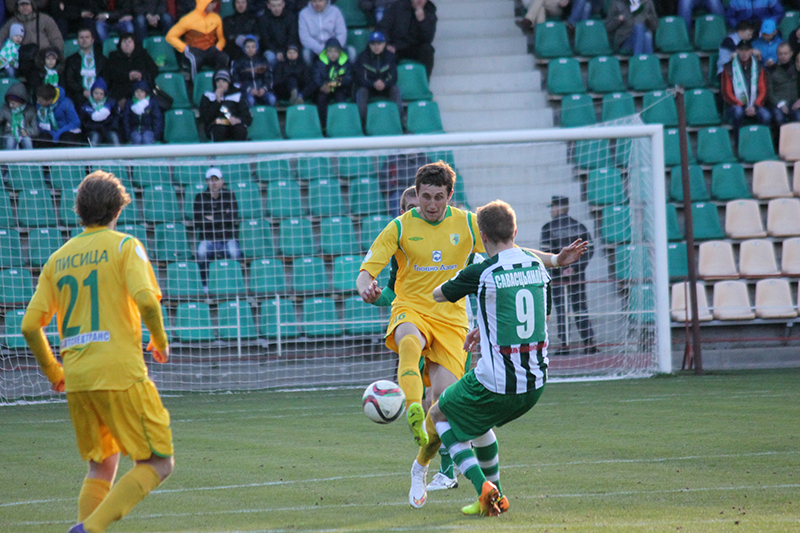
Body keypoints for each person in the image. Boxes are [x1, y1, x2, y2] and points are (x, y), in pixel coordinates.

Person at [356, 162, 586, 508]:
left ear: (449, 195)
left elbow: (509, 250)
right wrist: (366, 289)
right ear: (416, 194)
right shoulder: (399, 227)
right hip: (411, 308)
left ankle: (421, 467)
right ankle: (412, 408)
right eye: (425, 197)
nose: (431, 204)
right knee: (409, 341)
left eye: (438, 197)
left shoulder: (466, 223)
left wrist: (554, 259)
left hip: (451, 321)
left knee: (445, 406)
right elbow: (366, 272)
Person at [20, 170, 174, 533]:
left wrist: (54, 371)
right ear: (117, 209)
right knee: (158, 462)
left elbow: (29, 326)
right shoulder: (124, 246)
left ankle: (84, 526)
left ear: (79, 210)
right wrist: (161, 340)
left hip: (77, 379)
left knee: (102, 464)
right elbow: (147, 302)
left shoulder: (58, 258)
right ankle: (88, 530)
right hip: (120, 374)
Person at [416, 199, 551, 517]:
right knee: (479, 425)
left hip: (496, 383)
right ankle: (496, 499)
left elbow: (438, 294)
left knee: (438, 413)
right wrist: (484, 328)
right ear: (515, 231)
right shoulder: (537, 265)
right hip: (535, 383)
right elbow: (537, 314)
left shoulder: (482, 271)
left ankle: (483, 488)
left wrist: (453, 267)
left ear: (483, 236)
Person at [539, 195, 595, 355]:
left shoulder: (548, 228)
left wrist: (561, 268)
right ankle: (589, 343)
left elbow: (545, 253)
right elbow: (589, 249)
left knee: (561, 310)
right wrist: (575, 268)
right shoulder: (579, 226)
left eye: (552, 207)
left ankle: (565, 345)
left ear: (557, 208)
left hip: (557, 276)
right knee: (580, 307)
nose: (551, 211)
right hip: (577, 276)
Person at [193, 167, 242, 289]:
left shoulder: (229, 195)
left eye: (216, 179)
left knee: (235, 253)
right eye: (211, 180)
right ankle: (205, 286)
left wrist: (211, 217)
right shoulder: (200, 197)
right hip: (208, 238)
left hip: (227, 238)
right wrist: (223, 215)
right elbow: (198, 221)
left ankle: (235, 285)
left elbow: (233, 217)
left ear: (222, 181)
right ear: (206, 182)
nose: (214, 183)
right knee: (201, 252)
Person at [0, 0, 64, 83]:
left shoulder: (45, 19)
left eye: (27, 4)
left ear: (32, 6)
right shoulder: (12, 22)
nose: (24, 7)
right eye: (21, 5)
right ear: (17, 7)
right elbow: (1, 36)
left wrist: (53, 55)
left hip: (43, 58)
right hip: (23, 60)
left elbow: (56, 39)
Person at [166, 0, 229, 82]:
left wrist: (218, 47)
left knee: (223, 57)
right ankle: (194, 85)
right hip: (194, 50)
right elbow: (170, 36)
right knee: (195, 61)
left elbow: (221, 38)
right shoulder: (188, 19)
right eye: (212, 3)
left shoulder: (216, 18)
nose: (215, 5)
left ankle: (220, 84)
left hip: (210, 49)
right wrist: (184, 48)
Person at [721, 39, 771, 135]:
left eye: (747, 50)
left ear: (751, 51)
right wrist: (742, 106)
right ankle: (739, 141)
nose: (744, 53)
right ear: (737, 51)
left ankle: (761, 140)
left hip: (755, 104)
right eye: (741, 50)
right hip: (735, 105)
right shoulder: (728, 67)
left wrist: (755, 106)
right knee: (738, 112)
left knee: (766, 115)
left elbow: (763, 90)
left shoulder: (759, 67)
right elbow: (727, 92)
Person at [354, 30, 403, 128]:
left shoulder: (391, 57)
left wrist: (384, 83)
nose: (376, 47)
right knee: (361, 92)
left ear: (384, 44)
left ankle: (400, 124)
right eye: (373, 44)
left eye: (379, 44)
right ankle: (362, 126)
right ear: (369, 45)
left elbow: (393, 77)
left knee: (395, 90)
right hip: (369, 88)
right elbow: (360, 79)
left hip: (386, 88)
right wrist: (373, 84)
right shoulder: (362, 57)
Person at [378, 0, 436, 79]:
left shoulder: (429, 11)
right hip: (396, 47)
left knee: (428, 50)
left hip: (414, 48)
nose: (419, 1)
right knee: (383, 51)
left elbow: (428, 39)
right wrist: (387, 44)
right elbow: (383, 27)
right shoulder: (398, 7)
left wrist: (422, 22)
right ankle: (388, 83)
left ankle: (423, 82)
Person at [103, 32, 158, 109]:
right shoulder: (113, 57)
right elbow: (110, 73)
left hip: (142, 91)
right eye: (124, 42)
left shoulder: (143, 55)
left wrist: (141, 75)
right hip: (120, 92)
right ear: (120, 44)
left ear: (134, 43)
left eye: (129, 42)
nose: (127, 45)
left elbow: (154, 70)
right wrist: (127, 76)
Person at [199, 69, 252, 141]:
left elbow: (246, 115)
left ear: (228, 83)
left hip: (233, 125)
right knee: (219, 130)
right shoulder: (208, 96)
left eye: (224, 81)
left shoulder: (237, 96)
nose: (220, 84)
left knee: (240, 130)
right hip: (216, 126)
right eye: (218, 81)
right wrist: (217, 101)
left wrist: (238, 120)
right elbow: (205, 117)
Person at [311, 37, 352, 131]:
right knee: (321, 99)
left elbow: (347, 78)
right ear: (326, 52)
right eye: (330, 51)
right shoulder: (320, 63)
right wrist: (322, 85)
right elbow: (316, 76)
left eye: (335, 52)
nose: (333, 54)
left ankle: (340, 124)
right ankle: (323, 125)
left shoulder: (345, 63)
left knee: (340, 99)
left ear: (340, 53)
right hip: (324, 89)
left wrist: (332, 84)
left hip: (340, 88)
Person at [64, 27, 107, 107]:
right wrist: (82, 91)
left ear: (92, 40)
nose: (84, 40)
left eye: (87, 37)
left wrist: (98, 91)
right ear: (77, 40)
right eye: (81, 37)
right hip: (78, 95)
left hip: (100, 94)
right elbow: (69, 80)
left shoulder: (101, 59)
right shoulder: (71, 60)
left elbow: (106, 77)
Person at [298, 0, 348, 66]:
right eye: (314, 1)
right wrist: (322, 50)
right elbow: (305, 37)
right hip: (315, 49)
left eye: (320, 1)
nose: (317, 4)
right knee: (306, 53)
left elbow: (341, 33)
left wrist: (333, 48)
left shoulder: (335, 11)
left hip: (334, 47)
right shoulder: (303, 14)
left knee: (351, 52)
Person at [33, 83, 83, 147]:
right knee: (43, 139)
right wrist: (51, 132)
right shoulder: (40, 105)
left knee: (66, 138)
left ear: (50, 101)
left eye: (40, 101)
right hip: (49, 133)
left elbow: (76, 122)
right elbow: (40, 121)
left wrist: (59, 133)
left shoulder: (66, 104)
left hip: (65, 131)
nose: (37, 102)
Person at [231, 35, 276, 107]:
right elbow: (236, 81)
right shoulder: (238, 62)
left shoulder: (262, 60)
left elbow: (268, 77)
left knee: (272, 99)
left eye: (253, 47)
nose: (250, 49)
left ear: (256, 48)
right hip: (246, 91)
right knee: (250, 100)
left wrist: (264, 88)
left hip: (261, 90)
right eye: (248, 47)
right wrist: (249, 89)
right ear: (244, 48)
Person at [257, 0, 299, 69]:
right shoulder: (263, 19)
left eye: (279, 5)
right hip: (271, 50)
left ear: (283, 5)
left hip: (287, 48)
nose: (276, 9)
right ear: (268, 6)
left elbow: (292, 36)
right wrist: (276, 52)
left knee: (292, 54)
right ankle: (271, 75)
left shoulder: (290, 17)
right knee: (270, 57)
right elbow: (265, 40)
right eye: (273, 6)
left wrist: (285, 52)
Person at [79, 77, 121, 146]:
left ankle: (119, 153)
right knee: (94, 138)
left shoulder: (111, 104)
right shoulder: (86, 106)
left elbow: (115, 118)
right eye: (96, 93)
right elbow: (84, 121)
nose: (98, 96)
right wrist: (95, 127)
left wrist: (110, 127)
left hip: (108, 129)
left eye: (101, 94)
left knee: (114, 137)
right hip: (93, 130)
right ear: (92, 93)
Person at [766, 42, 800, 125]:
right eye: (780, 54)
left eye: (785, 53)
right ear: (777, 55)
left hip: (794, 102)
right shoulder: (771, 70)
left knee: (798, 117)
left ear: (791, 53)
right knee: (779, 117)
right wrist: (780, 104)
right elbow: (769, 93)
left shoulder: (796, 68)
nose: (783, 56)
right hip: (777, 103)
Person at [0, 81, 38, 149]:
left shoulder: (30, 111)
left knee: (27, 141)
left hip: (25, 134)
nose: (10, 105)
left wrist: (27, 132)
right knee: (10, 141)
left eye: (13, 103)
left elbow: (36, 129)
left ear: (21, 102)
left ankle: (30, 156)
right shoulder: (5, 108)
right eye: (9, 102)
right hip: (9, 134)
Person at [122, 80, 163, 144]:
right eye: (137, 91)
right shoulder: (130, 103)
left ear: (145, 92)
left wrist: (156, 135)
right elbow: (126, 119)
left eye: (142, 91)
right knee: (137, 139)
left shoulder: (151, 102)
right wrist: (127, 135)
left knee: (147, 139)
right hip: (134, 131)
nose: (139, 94)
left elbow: (157, 119)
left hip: (148, 130)